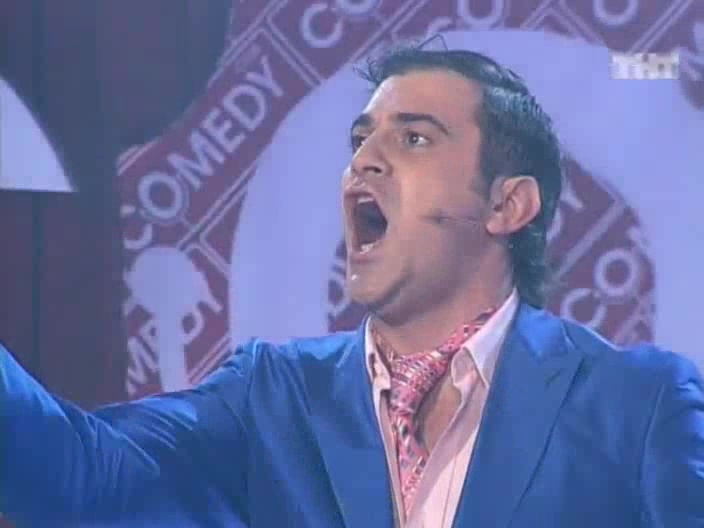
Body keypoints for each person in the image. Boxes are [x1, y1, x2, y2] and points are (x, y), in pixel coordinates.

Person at [2, 46, 703, 527]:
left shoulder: (640, 405)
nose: (364, 160)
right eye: (360, 140)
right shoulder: (270, 394)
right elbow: (80, 476)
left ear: (506, 204)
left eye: (414, 138)